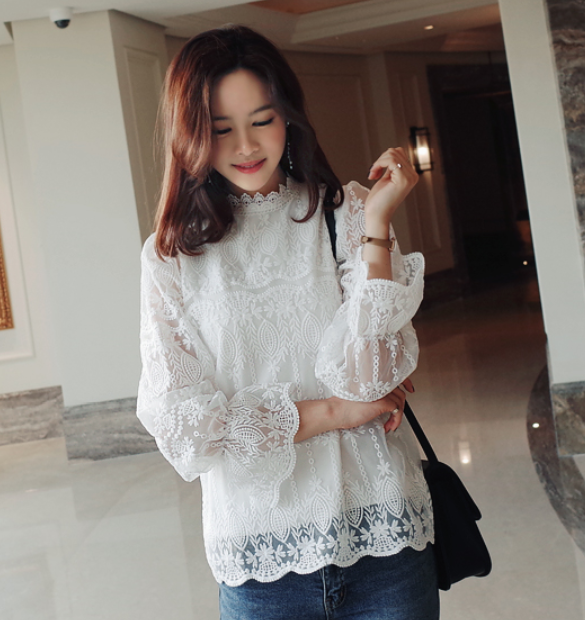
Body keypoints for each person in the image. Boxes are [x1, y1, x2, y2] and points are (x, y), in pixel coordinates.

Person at [137, 24, 438, 620]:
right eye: (221, 128)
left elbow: (373, 377)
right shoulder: (171, 257)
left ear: (289, 117)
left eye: (262, 119)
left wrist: (378, 222)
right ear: (191, 135)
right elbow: (185, 428)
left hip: (384, 536)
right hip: (260, 559)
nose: (246, 145)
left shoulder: (348, 214)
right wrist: (332, 413)